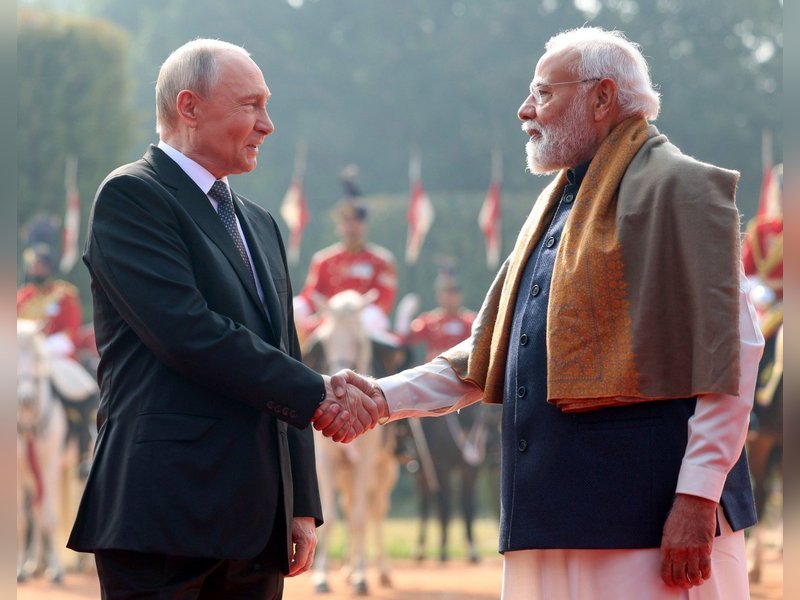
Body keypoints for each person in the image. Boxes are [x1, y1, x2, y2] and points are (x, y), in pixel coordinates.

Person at [320, 27, 764, 599]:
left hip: (647, 524)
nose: (525, 110)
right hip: (557, 517)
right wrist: (382, 398)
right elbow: (494, 350)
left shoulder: (678, 187)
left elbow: (735, 349)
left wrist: (699, 495)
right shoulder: (558, 205)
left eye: (543, 93)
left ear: (602, 98)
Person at [66, 39, 378, 599]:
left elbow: (286, 353)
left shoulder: (259, 224)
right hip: (165, 516)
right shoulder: (132, 196)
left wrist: (301, 504)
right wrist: (321, 395)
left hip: (257, 525)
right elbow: (188, 333)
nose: (268, 124)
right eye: (250, 105)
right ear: (188, 107)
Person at [294, 169, 398, 337]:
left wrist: (350, 316)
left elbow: (384, 301)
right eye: (347, 222)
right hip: (328, 319)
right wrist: (298, 309)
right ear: (340, 226)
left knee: (370, 321)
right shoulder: (324, 260)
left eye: (356, 222)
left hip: (365, 322)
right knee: (293, 309)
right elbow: (310, 295)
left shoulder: (381, 260)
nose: (352, 227)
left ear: (364, 225)